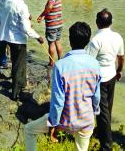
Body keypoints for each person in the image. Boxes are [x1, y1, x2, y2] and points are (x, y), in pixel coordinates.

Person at [24, 22, 101, 151]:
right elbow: (96, 96)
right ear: (87, 41)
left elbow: (58, 101)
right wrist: (93, 113)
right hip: (86, 120)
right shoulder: (95, 64)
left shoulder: (60, 66)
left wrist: (53, 124)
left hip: (65, 121)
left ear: (70, 41)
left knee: (29, 130)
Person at [0, 0, 44, 100]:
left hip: (8, 37)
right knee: (19, 66)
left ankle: (21, 84)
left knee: (16, 63)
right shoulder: (22, 5)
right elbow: (26, 28)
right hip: (18, 39)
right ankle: (15, 93)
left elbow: (7, 19)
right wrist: (38, 37)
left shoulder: (7, 2)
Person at [85, 8, 124, 151]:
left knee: (102, 111)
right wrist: (119, 70)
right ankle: (101, 131)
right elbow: (121, 57)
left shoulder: (95, 40)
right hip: (112, 75)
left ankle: (106, 146)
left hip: (100, 79)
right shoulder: (117, 37)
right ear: (111, 22)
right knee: (108, 107)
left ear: (97, 23)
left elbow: (88, 61)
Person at [37, 0, 63, 66]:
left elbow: (49, 8)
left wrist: (41, 16)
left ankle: (51, 62)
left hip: (52, 25)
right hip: (59, 24)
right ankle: (60, 60)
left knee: (51, 43)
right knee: (58, 42)